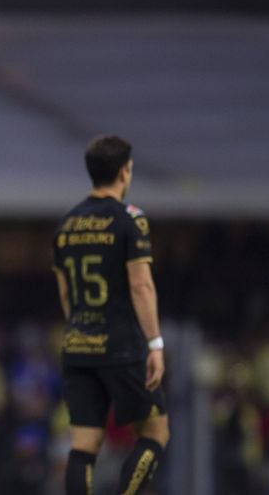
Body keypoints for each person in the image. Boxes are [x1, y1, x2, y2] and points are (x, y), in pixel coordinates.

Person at [52, 135, 170, 495]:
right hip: (121, 346)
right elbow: (141, 287)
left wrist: (80, 327)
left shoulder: (66, 225)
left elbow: (67, 295)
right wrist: (154, 343)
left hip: (77, 344)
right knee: (155, 433)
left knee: (83, 447)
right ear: (124, 171)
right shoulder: (130, 220)